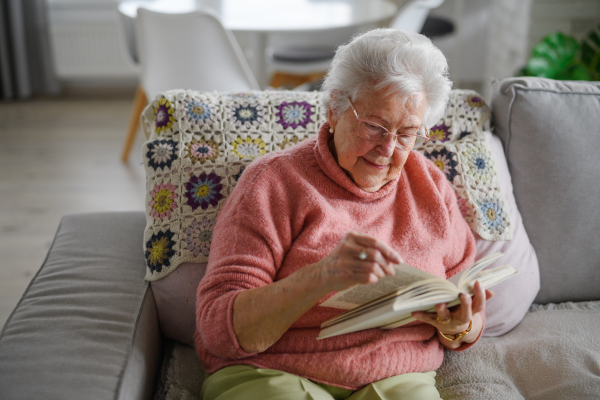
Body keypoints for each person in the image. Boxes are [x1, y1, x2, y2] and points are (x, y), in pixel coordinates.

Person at [195, 28, 492, 400]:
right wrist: (323, 276)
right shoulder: (272, 182)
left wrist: (460, 325)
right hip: (272, 370)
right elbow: (219, 331)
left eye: (407, 133)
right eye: (374, 126)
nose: (388, 147)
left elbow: (465, 298)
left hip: (396, 375)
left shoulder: (429, 186)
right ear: (334, 109)